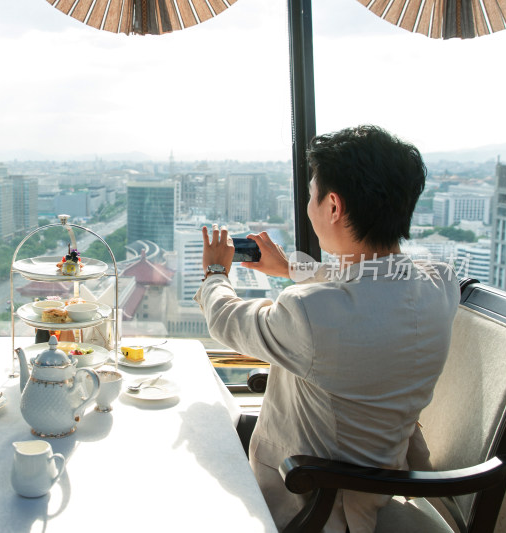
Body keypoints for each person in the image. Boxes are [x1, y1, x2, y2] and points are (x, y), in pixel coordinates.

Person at [195, 125, 460, 532]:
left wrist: (215, 272)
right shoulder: (440, 285)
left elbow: (228, 320)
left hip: (312, 506)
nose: (309, 206)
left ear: (333, 206)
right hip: (383, 482)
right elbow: (368, 285)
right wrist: (289, 268)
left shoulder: (308, 314)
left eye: (311, 195)